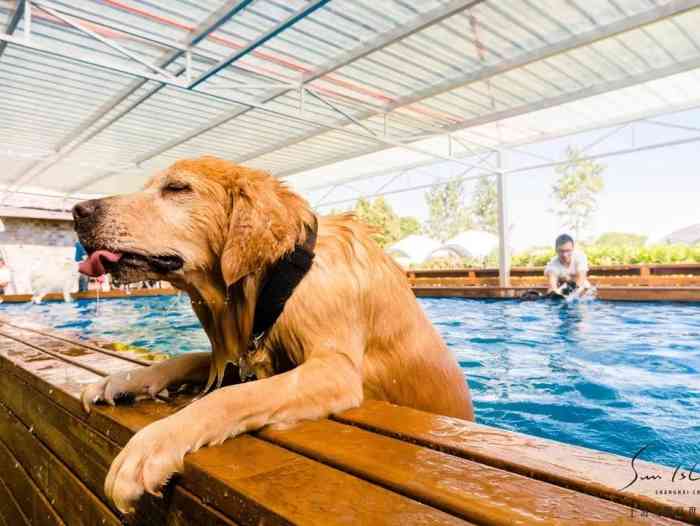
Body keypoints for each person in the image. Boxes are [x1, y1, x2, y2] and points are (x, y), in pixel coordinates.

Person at [545, 234, 591, 298]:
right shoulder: (552, 265)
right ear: (556, 250)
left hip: (582, 289)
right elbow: (553, 287)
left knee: (584, 289)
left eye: (568, 251)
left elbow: (581, 278)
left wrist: (567, 293)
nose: (565, 255)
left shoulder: (580, 256)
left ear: (573, 249)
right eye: (561, 251)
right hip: (561, 290)